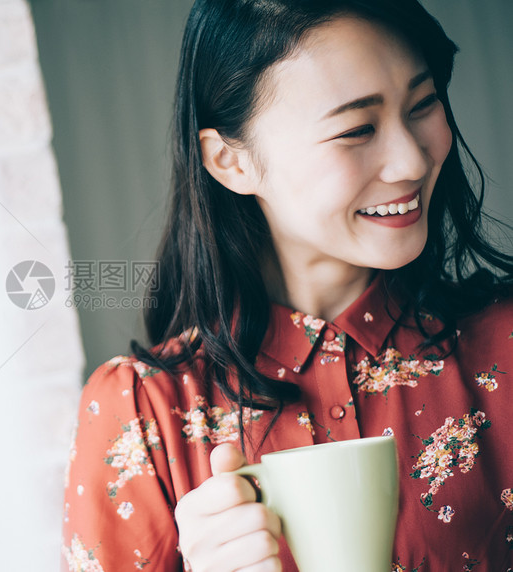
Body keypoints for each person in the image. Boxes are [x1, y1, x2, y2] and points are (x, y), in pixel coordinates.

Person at [61, 0, 513, 571]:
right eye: (356, 129)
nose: (411, 160)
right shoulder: (142, 412)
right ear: (230, 161)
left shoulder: (505, 346)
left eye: (423, 104)